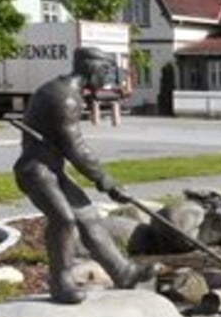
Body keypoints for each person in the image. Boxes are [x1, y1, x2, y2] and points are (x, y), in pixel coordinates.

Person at [13, 47, 152, 303]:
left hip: (52, 170)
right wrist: (106, 182)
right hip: (35, 171)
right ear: (92, 68)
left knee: (88, 217)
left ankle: (124, 273)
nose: (109, 77)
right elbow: (75, 148)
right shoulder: (65, 98)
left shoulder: (67, 91)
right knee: (64, 220)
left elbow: (70, 148)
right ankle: (60, 282)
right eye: (106, 70)